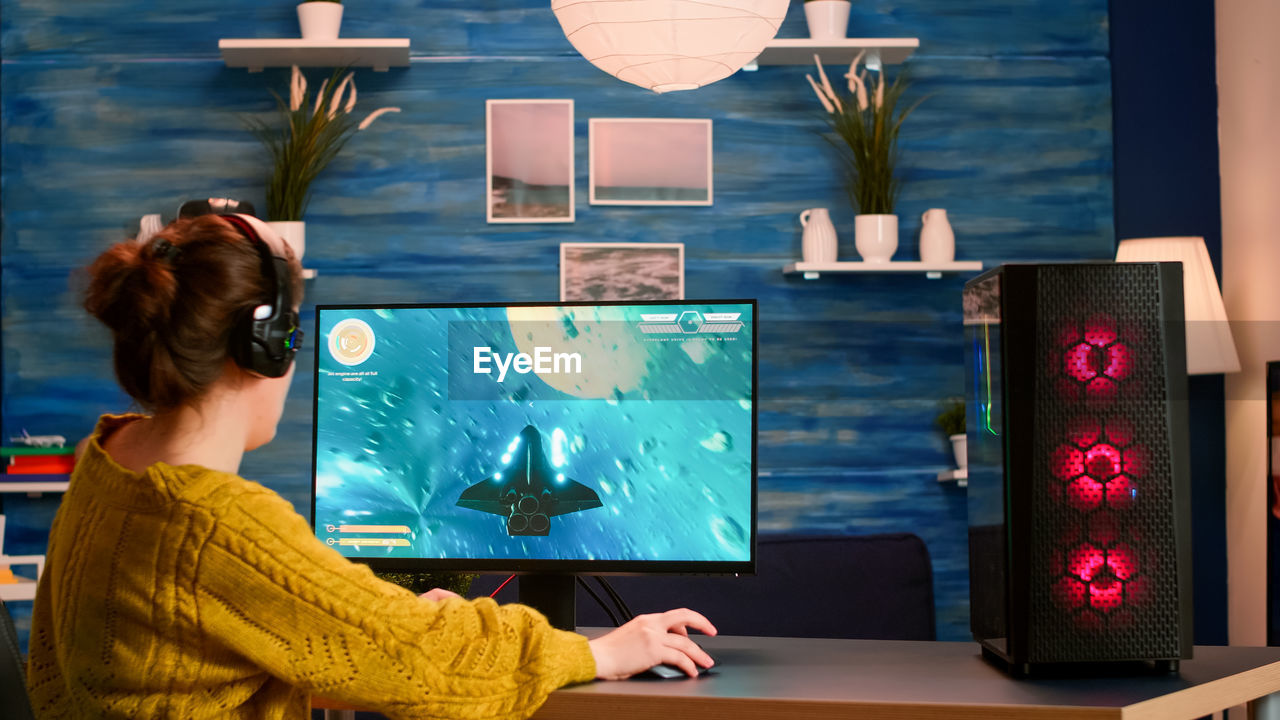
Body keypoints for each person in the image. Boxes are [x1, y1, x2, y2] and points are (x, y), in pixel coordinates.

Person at [25, 214, 715, 718]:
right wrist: (600, 654)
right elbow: (417, 661)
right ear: (269, 346)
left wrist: (380, 621)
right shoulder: (216, 524)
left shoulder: (104, 460)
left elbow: (233, 635)